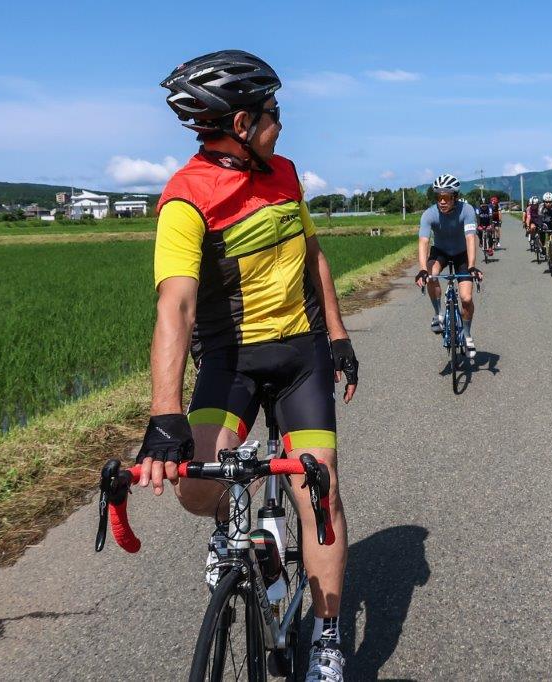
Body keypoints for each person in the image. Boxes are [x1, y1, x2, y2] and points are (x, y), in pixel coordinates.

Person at [141, 50, 357, 681]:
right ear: (241, 122)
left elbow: (314, 256)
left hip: (299, 356)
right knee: (198, 487)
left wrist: (338, 335)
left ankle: (326, 636)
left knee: (320, 490)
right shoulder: (186, 200)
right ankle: (229, 531)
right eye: (272, 113)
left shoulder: (285, 173)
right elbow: (175, 308)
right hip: (229, 360)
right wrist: (164, 417)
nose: (282, 123)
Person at [415, 174, 483, 358]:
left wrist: (472, 266)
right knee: (431, 274)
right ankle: (438, 314)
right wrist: (422, 269)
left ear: (455, 196)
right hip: (441, 252)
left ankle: (467, 334)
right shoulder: (429, 214)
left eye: (446, 197)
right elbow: (423, 242)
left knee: (466, 298)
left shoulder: (467, 210)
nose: (442, 202)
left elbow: (470, 238)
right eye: (439, 197)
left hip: (462, 254)